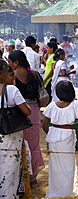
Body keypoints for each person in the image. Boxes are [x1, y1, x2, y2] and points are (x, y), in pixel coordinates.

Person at [42, 81, 78, 198]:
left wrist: (52, 132)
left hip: (54, 136)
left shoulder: (52, 105)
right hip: (67, 136)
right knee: (68, 165)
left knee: (55, 165)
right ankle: (67, 192)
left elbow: (44, 124)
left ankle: (55, 191)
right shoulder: (75, 105)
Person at [8, 50, 45, 187]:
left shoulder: (14, 75)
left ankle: (23, 177)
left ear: (16, 62)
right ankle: (33, 178)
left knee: (23, 145)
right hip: (35, 111)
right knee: (34, 145)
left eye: (10, 62)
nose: (9, 64)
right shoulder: (34, 73)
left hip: (21, 112)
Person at [0, 60, 32, 198]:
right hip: (11, 136)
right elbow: (27, 111)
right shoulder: (11, 90)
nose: (13, 77)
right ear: (1, 73)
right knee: (9, 171)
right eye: (10, 73)